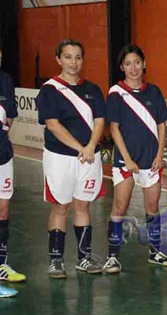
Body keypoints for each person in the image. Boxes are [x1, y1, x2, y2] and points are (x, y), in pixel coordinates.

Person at [102, 44, 167, 274]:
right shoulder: (116, 93)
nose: (133, 67)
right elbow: (114, 128)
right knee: (120, 207)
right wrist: (127, 158)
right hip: (127, 162)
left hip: (151, 161)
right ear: (121, 67)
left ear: (144, 64)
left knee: (152, 207)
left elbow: (162, 125)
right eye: (128, 63)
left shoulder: (153, 92)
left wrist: (159, 155)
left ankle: (155, 252)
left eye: (137, 62)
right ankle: (113, 256)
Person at [37, 39, 107, 279]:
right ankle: (56, 260)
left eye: (78, 57)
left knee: (83, 206)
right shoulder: (49, 90)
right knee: (60, 207)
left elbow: (100, 121)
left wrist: (90, 147)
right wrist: (81, 148)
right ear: (58, 59)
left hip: (89, 158)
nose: (73, 62)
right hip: (60, 158)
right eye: (68, 57)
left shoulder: (93, 90)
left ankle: (84, 258)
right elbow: (52, 124)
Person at [0, 38, 21, 297]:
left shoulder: (5, 79)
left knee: (3, 209)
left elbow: (11, 115)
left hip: (3, 155)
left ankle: (1, 264)